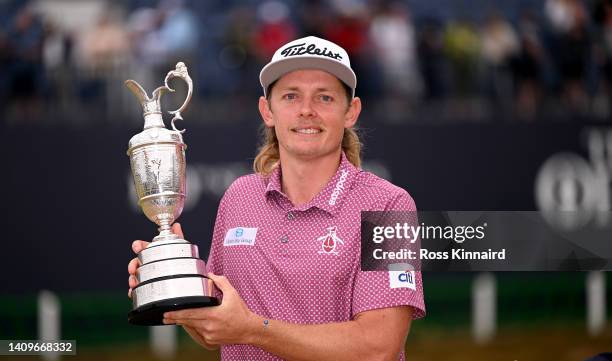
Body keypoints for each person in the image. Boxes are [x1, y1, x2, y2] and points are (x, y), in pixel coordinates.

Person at [128, 36, 425, 360]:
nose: (307, 110)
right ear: (267, 110)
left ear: (351, 111)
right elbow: (216, 330)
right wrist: (179, 280)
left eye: (324, 97)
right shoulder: (239, 198)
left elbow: (378, 347)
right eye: (290, 96)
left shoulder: (388, 206)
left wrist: (253, 329)